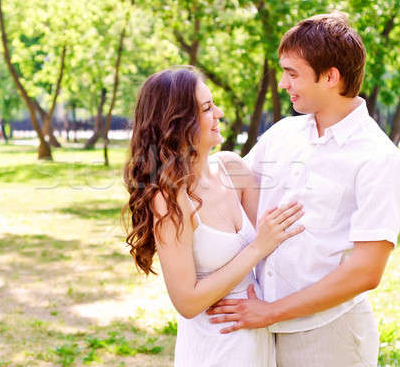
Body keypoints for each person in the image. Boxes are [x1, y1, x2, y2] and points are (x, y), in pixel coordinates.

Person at [206, 13, 400, 366]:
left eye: (293, 73)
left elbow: (366, 271)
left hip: (328, 336)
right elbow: (230, 192)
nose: (284, 84)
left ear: (330, 76)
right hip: (260, 333)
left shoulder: (379, 159)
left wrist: (270, 312)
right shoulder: (282, 135)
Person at [123, 67, 305, 367]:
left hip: (258, 343)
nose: (219, 112)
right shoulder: (169, 200)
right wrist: (257, 247)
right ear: (177, 123)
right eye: (207, 108)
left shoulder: (232, 169)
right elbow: (187, 301)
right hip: (215, 348)